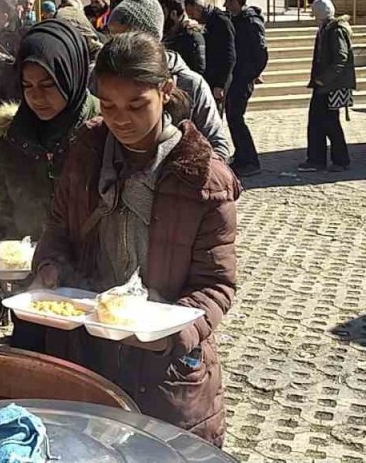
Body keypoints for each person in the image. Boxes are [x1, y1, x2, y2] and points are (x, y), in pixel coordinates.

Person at [32, 31, 238, 446]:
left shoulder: (202, 180)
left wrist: (171, 332)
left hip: (165, 374)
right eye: (107, 106)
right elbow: (57, 231)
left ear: (165, 92)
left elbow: (216, 284)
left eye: (135, 105)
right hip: (85, 355)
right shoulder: (84, 155)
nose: (120, 119)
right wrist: (51, 269)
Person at [0, 20, 99, 248]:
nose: (36, 97)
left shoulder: (104, 131)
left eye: (48, 85)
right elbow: (3, 213)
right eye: (28, 86)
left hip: (88, 269)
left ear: (71, 77)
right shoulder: (11, 137)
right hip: (25, 264)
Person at [106, 0, 233, 160]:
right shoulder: (103, 81)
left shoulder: (190, 84)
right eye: (112, 37)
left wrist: (184, 175)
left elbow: (219, 146)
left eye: (124, 39)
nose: (115, 48)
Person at [300, 0, 356, 173]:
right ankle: (317, 159)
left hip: (330, 85)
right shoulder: (326, 28)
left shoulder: (336, 30)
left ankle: (340, 160)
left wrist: (324, 79)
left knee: (330, 123)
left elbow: (341, 57)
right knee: (317, 122)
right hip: (323, 84)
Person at [223, 0, 269, 177]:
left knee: (236, 117)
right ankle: (241, 155)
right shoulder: (237, 20)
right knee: (232, 116)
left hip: (242, 78)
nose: (225, 5)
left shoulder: (250, 22)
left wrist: (250, 74)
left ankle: (250, 159)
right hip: (236, 77)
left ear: (235, 1)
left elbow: (260, 53)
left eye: (227, 1)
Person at [184, 0, 236, 104]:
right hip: (210, 76)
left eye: (192, 14)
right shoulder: (208, 21)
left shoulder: (221, 22)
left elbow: (229, 56)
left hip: (218, 79)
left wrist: (220, 84)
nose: (192, 18)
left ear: (199, 8)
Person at [160, 0, 208, 77]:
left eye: (163, 13)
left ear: (173, 14)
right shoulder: (164, 36)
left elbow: (198, 70)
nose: (161, 18)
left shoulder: (192, 37)